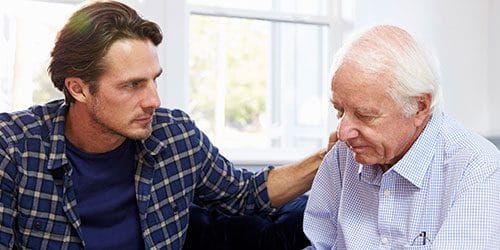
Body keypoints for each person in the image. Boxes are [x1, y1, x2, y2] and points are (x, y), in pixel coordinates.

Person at [0, 1, 333, 249]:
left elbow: (246, 195)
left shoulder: (175, 135)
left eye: (154, 80)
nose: (153, 100)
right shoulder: (14, 149)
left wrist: (328, 157)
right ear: (79, 88)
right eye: (132, 85)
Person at [303, 24, 500, 249]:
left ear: (419, 107)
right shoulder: (342, 155)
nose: (343, 132)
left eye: (364, 115)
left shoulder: (478, 168)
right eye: (339, 110)